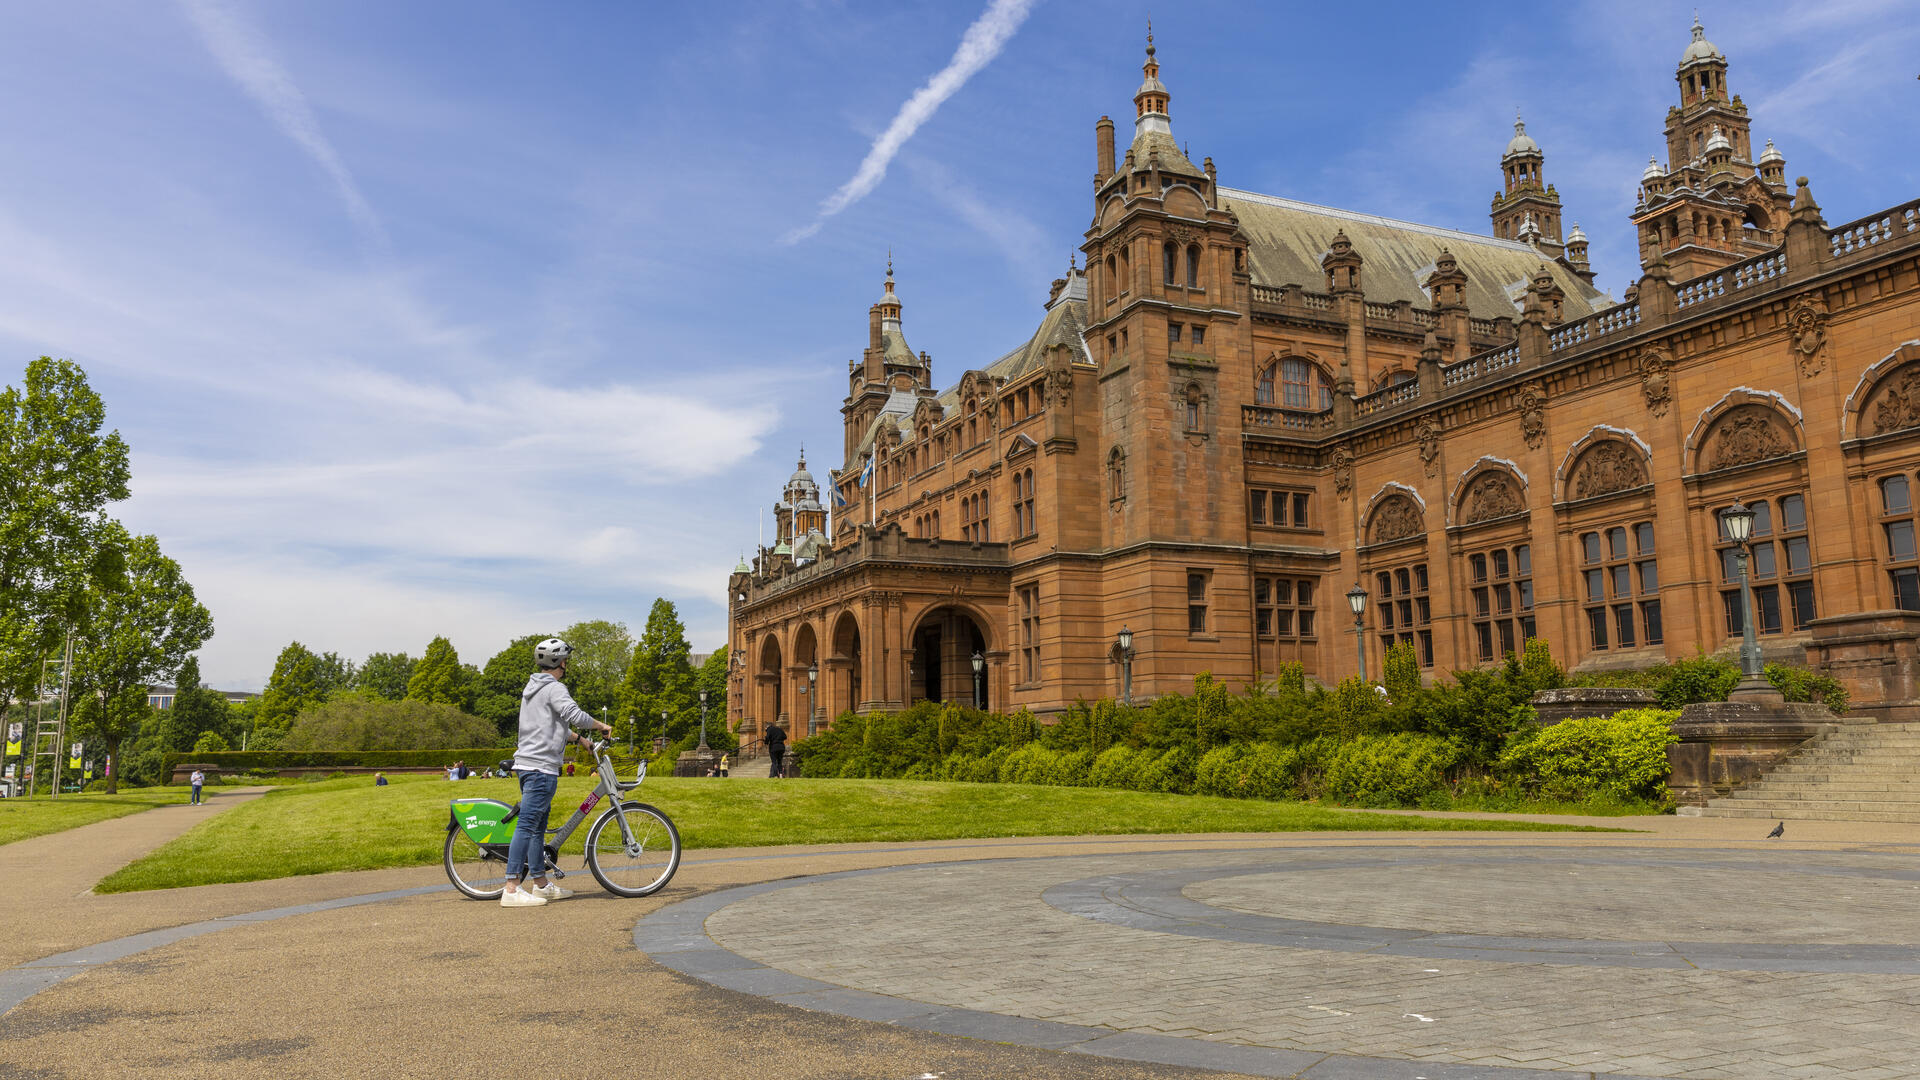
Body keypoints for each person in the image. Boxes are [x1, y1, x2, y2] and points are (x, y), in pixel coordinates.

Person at [501, 637, 612, 908]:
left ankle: (540, 884)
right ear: (561, 662)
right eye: (566, 661)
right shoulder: (554, 688)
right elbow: (573, 714)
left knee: (537, 827)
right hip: (540, 768)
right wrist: (600, 726)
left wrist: (579, 740)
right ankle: (512, 888)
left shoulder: (534, 688)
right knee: (528, 825)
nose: (567, 665)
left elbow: (552, 724)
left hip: (531, 765)